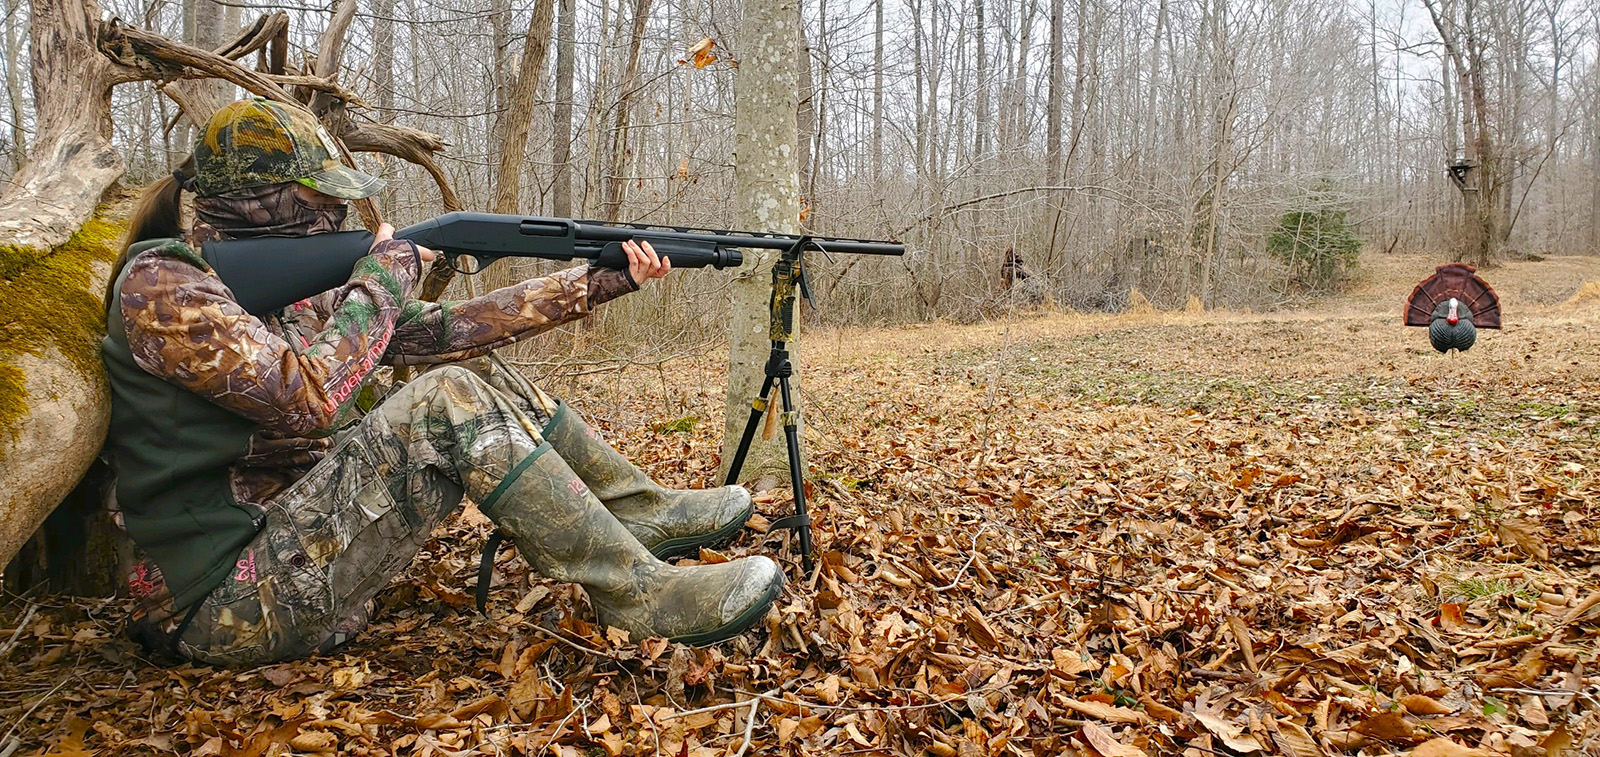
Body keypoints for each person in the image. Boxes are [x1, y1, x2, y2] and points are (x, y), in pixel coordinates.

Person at [101, 98, 783, 667]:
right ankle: (640, 596)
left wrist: (597, 282)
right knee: (445, 399)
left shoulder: (281, 291)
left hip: (292, 556)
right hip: (219, 604)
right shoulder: (164, 287)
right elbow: (306, 399)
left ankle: (641, 515)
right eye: (320, 200)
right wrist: (383, 275)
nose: (338, 216)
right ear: (263, 204)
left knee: (471, 370)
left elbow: (448, 331)